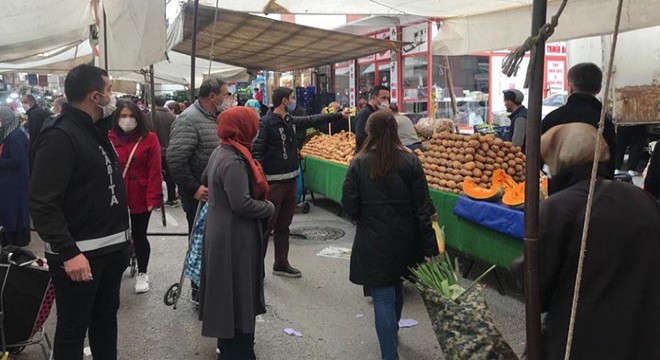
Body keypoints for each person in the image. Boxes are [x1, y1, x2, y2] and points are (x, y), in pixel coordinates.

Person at [533, 122, 660, 359]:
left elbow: (539, 288)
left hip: (584, 341)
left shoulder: (557, 209)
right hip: (644, 337)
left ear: (560, 161)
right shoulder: (643, 199)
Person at [29, 64, 130, 360]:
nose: (114, 97)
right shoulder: (60, 136)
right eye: (109, 90)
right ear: (94, 96)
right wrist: (68, 252)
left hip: (110, 252)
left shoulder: (96, 131)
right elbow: (42, 202)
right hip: (80, 258)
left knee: (105, 322)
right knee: (73, 329)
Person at [342, 110, 438, 360]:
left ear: (369, 132)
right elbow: (423, 209)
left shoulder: (359, 163)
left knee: (383, 295)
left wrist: (362, 217)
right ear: (395, 131)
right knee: (396, 286)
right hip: (406, 240)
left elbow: (349, 205)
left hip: (372, 241)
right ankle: (391, 332)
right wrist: (430, 248)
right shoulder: (411, 162)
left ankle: (389, 354)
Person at [199, 107, 275, 360]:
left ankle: (231, 346)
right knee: (236, 291)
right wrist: (268, 207)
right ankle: (238, 351)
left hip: (224, 229)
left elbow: (207, 179)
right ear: (243, 128)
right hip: (233, 235)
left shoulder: (223, 151)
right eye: (253, 125)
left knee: (228, 292)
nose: (256, 131)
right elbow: (241, 203)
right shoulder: (233, 160)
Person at [252, 87, 348, 278]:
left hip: (291, 179)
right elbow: (257, 152)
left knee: (284, 225)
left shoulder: (289, 120)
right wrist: (261, 180)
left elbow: (312, 119)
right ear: (285, 101)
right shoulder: (266, 123)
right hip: (274, 184)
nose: (295, 101)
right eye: (292, 98)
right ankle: (256, 270)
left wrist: (338, 115)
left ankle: (281, 263)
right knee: (266, 228)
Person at [108, 100, 162, 293]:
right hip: (115, 194)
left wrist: (153, 198)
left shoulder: (149, 138)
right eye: (123, 115)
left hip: (140, 192)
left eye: (131, 116)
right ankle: (117, 268)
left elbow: (155, 170)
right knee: (116, 236)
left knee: (139, 235)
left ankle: (143, 272)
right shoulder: (109, 137)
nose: (127, 120)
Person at [167, 78, 229, 233]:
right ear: (212, 96)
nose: (227, 99)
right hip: (199, 196)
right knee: (200, 244)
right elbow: (176, 159)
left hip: (216, 194)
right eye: (225, 94)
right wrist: (194, 188)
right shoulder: (188, 119)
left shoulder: (215, 117)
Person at [541, 62, 617, 178]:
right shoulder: (603, 122)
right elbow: (611, 164)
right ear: (599, 89)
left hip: (557, 189)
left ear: (570, 87)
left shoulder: (552, 118)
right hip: (596, 190)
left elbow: (537, 159)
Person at [0, 106, 30, 247]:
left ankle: (15, 240)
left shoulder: (15, 136)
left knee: (13, 211)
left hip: (15, 182)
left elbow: (17, 160)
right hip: (9, 181)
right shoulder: (9, 134)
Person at [152, 96, 178, 206]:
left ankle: (157, 200)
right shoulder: (171, 116)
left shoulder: (151, 115)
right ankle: (172, 198)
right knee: (170, 177)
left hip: (156, 151)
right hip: (170, 150)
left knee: (156, 176)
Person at [354, 85, 390, 153]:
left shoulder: (379, 113)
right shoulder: (364, 113)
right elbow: (360, 138)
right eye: (383, 98)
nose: (386, 101)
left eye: (387, 98)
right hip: (365, 156)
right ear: (373, 98)